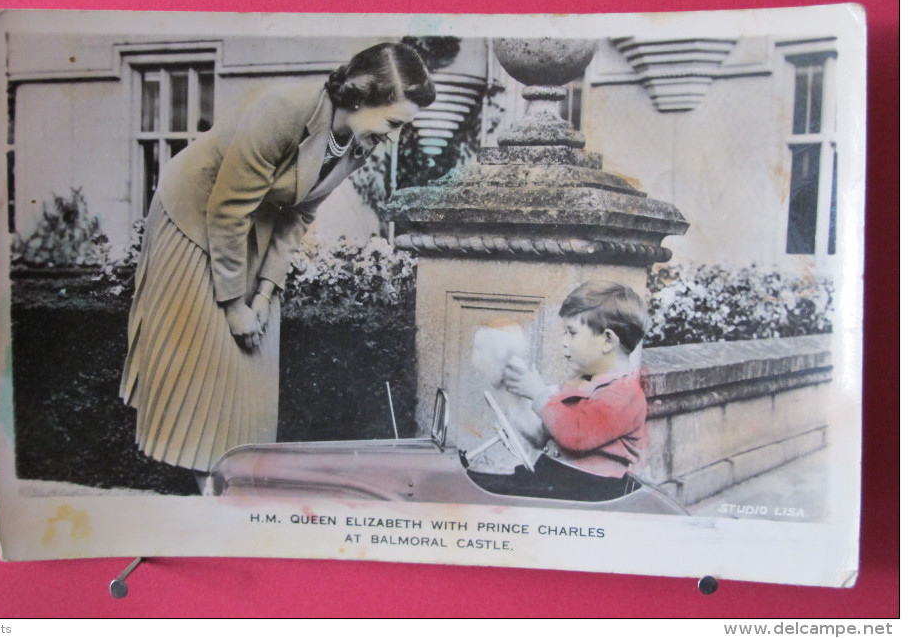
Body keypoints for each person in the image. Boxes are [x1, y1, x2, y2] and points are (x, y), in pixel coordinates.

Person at [119, 42, 436, 483]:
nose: (395, 136)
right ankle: (210, 496)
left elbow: (300, 215)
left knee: (253, 366)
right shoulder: (282, 110)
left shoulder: (360, 141)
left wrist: (266, 292)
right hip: (195, 217)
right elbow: (227, 210)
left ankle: (232, 488)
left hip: (253, 224)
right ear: (362, 97)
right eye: (394, 122)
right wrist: (233, 307)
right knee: (213, 365)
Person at [467, 280, 649, 502]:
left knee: (478, 496)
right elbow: (541, 436)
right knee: (473, 481)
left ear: (607, 340)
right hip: (558, 482)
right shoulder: (584, 384)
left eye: (572, 333)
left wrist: (539, 393)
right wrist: (513, 396)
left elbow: (576, 436)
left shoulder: (624, 395)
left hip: (586, 491)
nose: (563, 342)